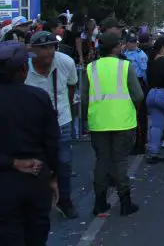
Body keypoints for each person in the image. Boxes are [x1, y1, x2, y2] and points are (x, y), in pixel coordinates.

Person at [0, 42, 60, 246]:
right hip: (36, 178)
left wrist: (12, 162)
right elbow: (52, 142)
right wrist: (53, 176)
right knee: (36, 234)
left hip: (5, 183)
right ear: (24, 70)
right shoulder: (39, 98)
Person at [82, 33, 144, 216]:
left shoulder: (90, 68)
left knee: (102, 161)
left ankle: (99, 203)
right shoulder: (125, 66)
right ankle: (125, 202)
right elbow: (139, 95)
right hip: (122, 122)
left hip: (98, 123)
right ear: (116, 48)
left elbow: (85, 97)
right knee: (120, 161)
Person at [24, 31, 79, 219]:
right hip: (32, 123)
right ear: (32, 50)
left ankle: (65, 200)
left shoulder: (65, 62)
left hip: (61, 118)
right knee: (33, 162)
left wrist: (67, 109)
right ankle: (33, 201)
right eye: (42, 48)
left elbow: (72, 85)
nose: (47, 53)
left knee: (64, 161)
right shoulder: (24, 66)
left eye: (50, 47)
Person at [123, 34, 149, 155]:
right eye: (129, 42)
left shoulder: (141, 55)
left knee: (139, 116)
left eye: (133, 42)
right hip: (126, 84)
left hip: (138, 83)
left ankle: (140, 143)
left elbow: (144, 72)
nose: (131, 44)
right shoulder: (124, 53)